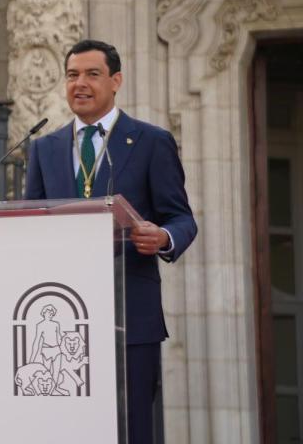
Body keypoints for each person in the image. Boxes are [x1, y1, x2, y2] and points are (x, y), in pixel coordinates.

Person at [24, 39, 198, 444]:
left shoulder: (151, 141)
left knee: (130, 429)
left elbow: (181, 218)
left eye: (92, 74)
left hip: (130, 317)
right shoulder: (44, 149)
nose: (80, 84)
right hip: (64, 318)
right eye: (72, 75)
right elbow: (31, 223)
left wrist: (164, 236)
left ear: (115, 81)